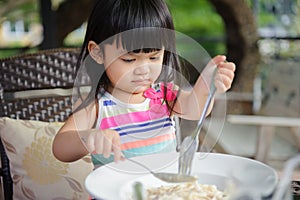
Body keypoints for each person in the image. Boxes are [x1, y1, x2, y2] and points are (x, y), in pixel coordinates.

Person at [52, 0, 235, 169]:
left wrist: (206, 84)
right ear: (98, 53)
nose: (143, 70)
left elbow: (194, 108)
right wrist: (88, 137)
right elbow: (60, 147)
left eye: (154, 57)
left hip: (161, 191)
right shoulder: (99, 107)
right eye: (130, 59)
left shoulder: (164, 95)